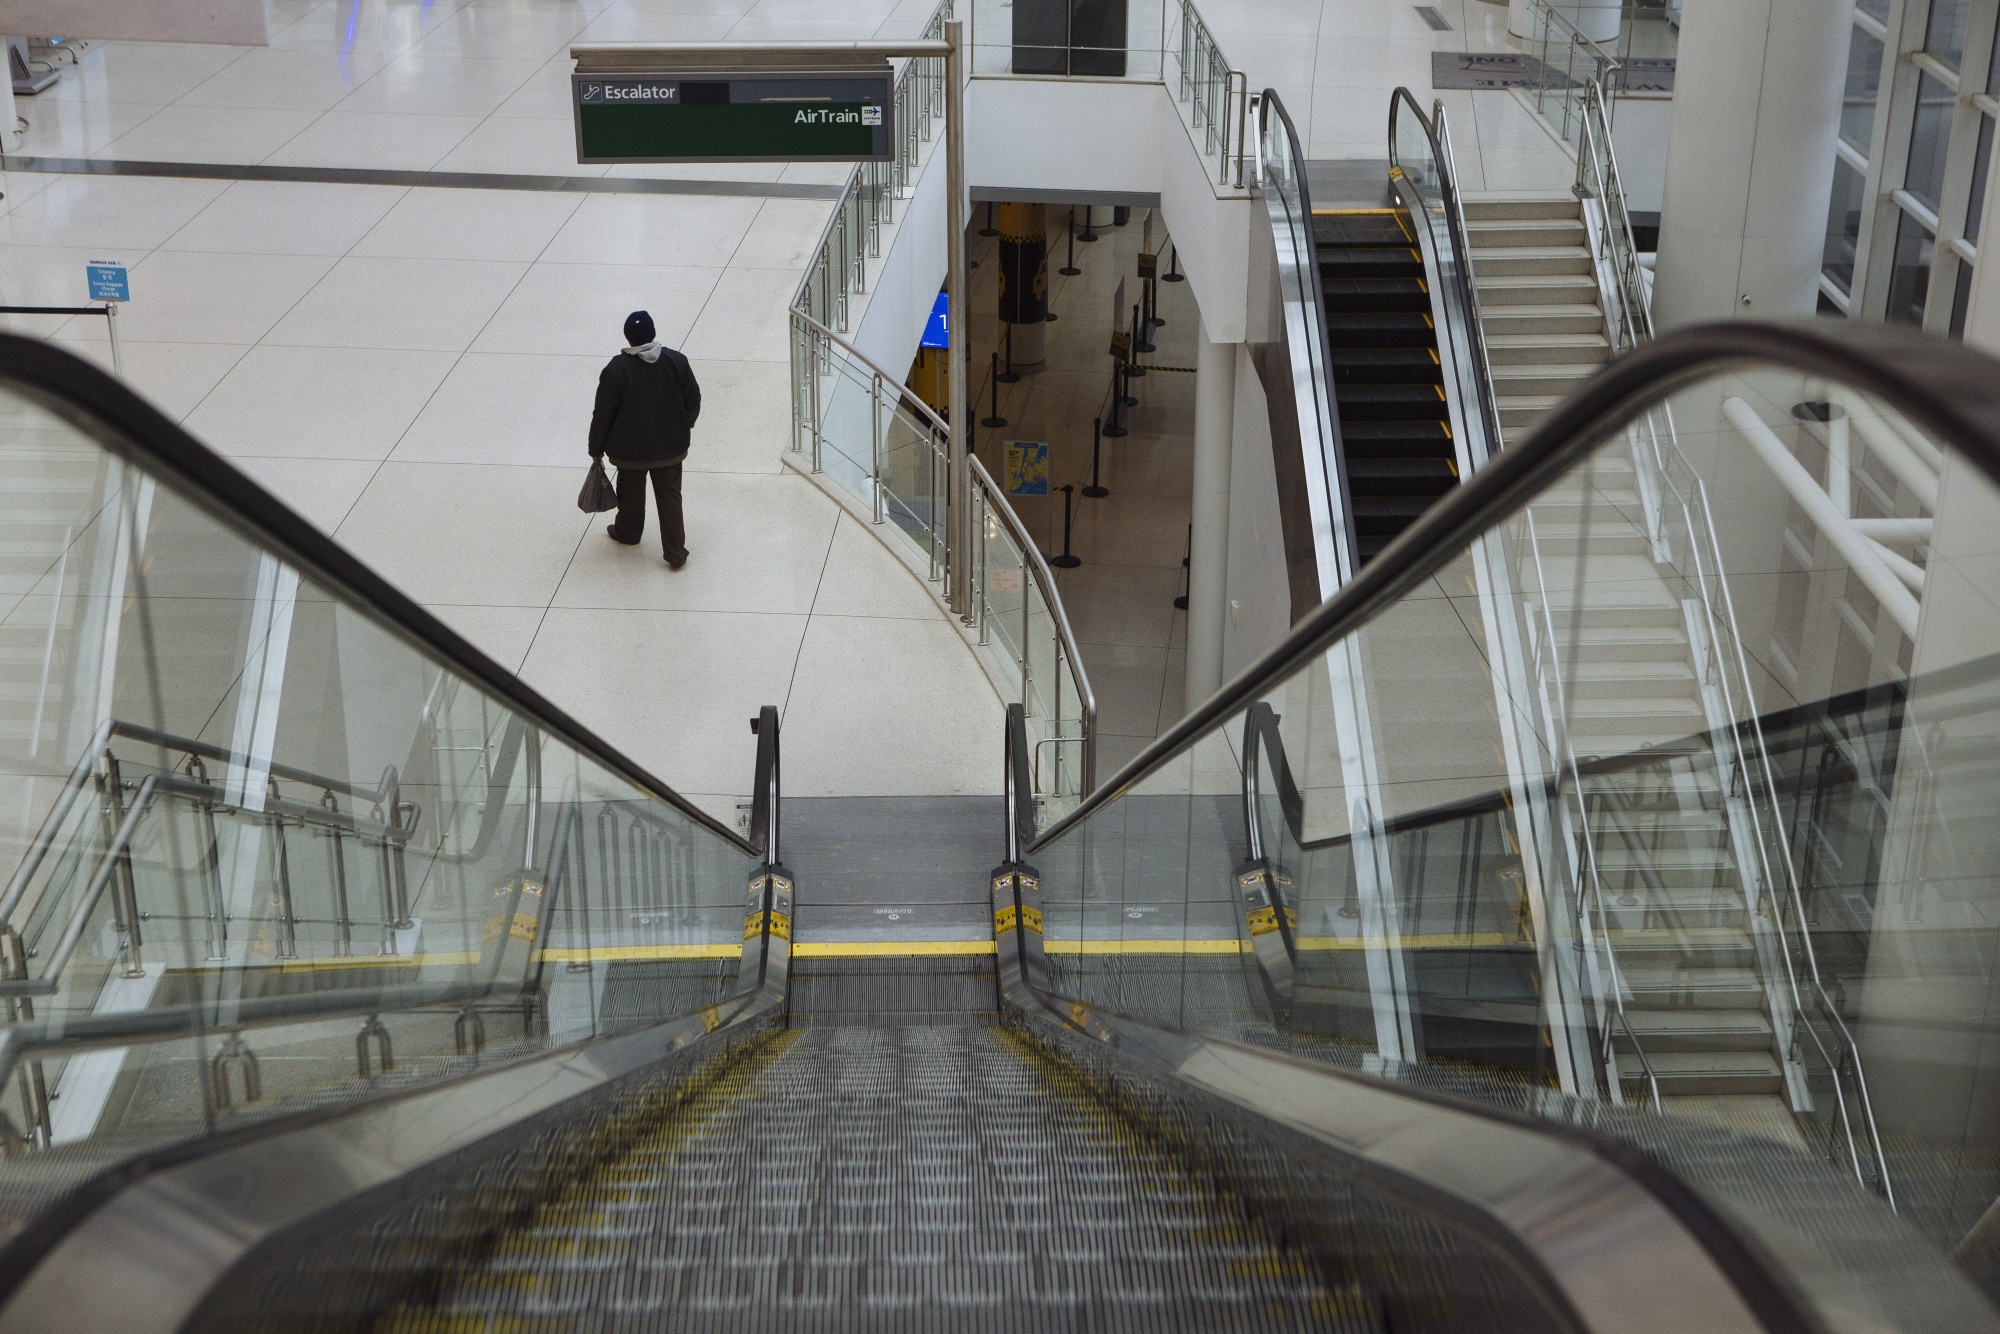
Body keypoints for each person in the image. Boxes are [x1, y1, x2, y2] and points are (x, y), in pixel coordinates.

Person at [589, 310, 702, 569]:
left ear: (628, 338)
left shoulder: (616, 370)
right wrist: (683, 425)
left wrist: (595, 448)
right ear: (652, 333)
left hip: (629, 452)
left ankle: (628, 532)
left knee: (629, 492)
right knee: (670, 496)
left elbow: (603, 413)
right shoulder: (676, 361)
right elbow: (693, 399)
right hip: (670, 448)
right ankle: (675, 553)